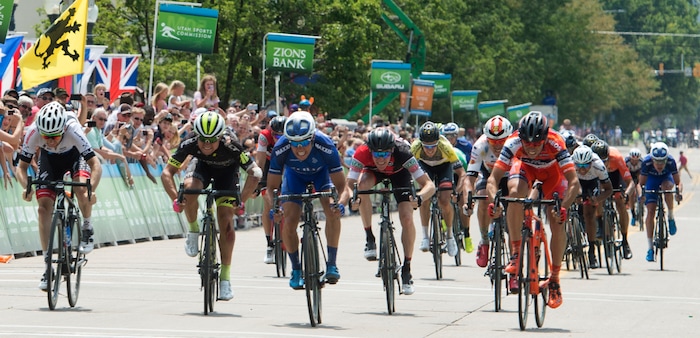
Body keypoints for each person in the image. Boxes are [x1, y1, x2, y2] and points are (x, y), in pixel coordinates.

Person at [161, 112, 262, 301]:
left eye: (212, 140)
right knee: (190, 190)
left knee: (226, 222)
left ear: (220, 137)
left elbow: (255, 172)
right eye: (203, 140)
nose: (207, 144)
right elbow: (167, 173)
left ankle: (225, 279)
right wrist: (176, 198)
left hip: (227, 173)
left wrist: (242, 200)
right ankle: (193, 231)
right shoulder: (190, 142)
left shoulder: (230, 145)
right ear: (197, 136)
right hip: (202, 168)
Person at [486, 111, 580, 309]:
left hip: (553, 174)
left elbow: (574, 182)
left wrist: (563, 208)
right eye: (527, 143)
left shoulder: (556, 142)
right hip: (525, 170)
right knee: (514, 194)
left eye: (536, 144)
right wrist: (494, 201)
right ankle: (516, 252)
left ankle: (554, 278)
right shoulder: (512, 142)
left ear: (545, 138)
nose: (531, 148)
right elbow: (493, 179)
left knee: (557, 221)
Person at [16, 102, 103, 290]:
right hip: (49, 161)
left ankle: (87, 225)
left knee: (81, 190)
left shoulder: (73, 130)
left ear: (62, 129)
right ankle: (48, 267)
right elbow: (21, 168)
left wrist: (91, 190)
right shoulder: (34, 132)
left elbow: (96, 165)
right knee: (43, 208)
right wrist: (27, 187)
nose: (50, 141)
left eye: (54, 136)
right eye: (46, 136)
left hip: (75, 157)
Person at [339, 127, 435, 295]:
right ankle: (369, 237)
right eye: (376, 154)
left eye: (384, 154)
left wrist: (419, 197)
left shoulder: (403, 151)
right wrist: (350, 201)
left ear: (392, 150)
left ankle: (407, 268)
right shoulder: (361, 152)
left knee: (406, 218)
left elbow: (429, 185)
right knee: (360, 187)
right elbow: (349, 185)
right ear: (370, 151)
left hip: (399, 174)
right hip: (373, 173)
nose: (380, 159)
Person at [264, 111, 346, 290]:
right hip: (295, 177)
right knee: (289, 220)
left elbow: (341, 186)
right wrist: (275, 207)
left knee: (331, 210)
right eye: (294, 143)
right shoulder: (281, 147)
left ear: (312, 137)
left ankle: (331, 264)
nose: (299, 148)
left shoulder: (325, 144)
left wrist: (340, 203)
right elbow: (271, 188)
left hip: (321, 175)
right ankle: (295, 269)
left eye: (304, 143)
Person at [464, 116, 514, 268]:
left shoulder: (515, 145)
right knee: (483, 197)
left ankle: (514, 261)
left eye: (501, 141)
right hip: (488, 174)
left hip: (510, 176)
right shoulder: (480, 146)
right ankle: (484, 240)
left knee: (514, 209)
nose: (498, 145)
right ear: (487, 139)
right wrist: (468, 199)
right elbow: (470, 178)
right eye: (493, 141)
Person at [411, 121, 465, 258]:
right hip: (425, 166)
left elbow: (461, 173)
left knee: (445, 201)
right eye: (426, 146)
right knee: (424, 198)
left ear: (438, 142)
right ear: (420, 143)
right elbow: (405, 170)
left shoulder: (446, 146)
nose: (429, 149)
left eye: (433, 146)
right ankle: (424, 236)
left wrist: (457, 192)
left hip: (444, 167)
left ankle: (450, 236)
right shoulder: (415, 147)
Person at [590, 140, 634, 260]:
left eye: (604, 161)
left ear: (609, 157)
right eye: (599, 161)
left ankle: (625, 241)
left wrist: (627, 194)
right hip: (600, 178)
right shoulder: (592, 162)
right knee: (598, 197)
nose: (602, 164)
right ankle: (600, 223)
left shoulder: (617, 158)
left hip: (615, 177)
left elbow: (630, 183)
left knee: (620, 203)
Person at [571, 145, 613, 269]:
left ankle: (591, 251)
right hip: (575, 181)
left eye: (585, 166)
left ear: (591, 162)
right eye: (579, 166)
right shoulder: (570, 164)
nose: (582, 169)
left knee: (589, 214)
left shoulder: (598, 166)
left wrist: (597, 199)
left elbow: (608, 189)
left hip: (592, 182)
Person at [639, 142, 682, 262]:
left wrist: (679, 193)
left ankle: (671, 216)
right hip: (651, 180)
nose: (659, 164)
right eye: (657, 161)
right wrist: (641, 195)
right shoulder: (646, 162)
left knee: (667, 187)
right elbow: (640, 184)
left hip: (665, 178)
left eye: (662, 161)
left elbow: (678, 183)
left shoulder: (671, 161)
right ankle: (650, 248)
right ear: (652, 159)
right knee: (651, 211)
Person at [254, 115, 287, 264]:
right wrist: (257, 181)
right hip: (268, 165)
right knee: (268, 204)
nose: (278, 138)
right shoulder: (264, 136)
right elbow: (259, 162)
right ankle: (269, 243)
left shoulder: (292, 136)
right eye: (276, 135)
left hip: (285, 164)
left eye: (282, 135)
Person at [440, 122, 473, 253]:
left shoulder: (465, 146)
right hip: (446, 173)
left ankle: (466, 234)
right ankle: (444, 225)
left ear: (457, 136)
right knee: (441, 197)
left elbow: (470, 168)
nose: (449, 139)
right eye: (446, 136)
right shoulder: (440, 146)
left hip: (462, 172)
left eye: (452, 136)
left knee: (463, 202)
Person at [625, 148, 643, 226]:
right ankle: (633, 215)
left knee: (639, 184)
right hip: (629, 174)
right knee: (631, 194)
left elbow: (643, 175)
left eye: (636, 160)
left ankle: (640, 197)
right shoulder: (626, 162)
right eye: (633, 160)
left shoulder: (642, 162)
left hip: (638, 173)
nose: (635, 162)